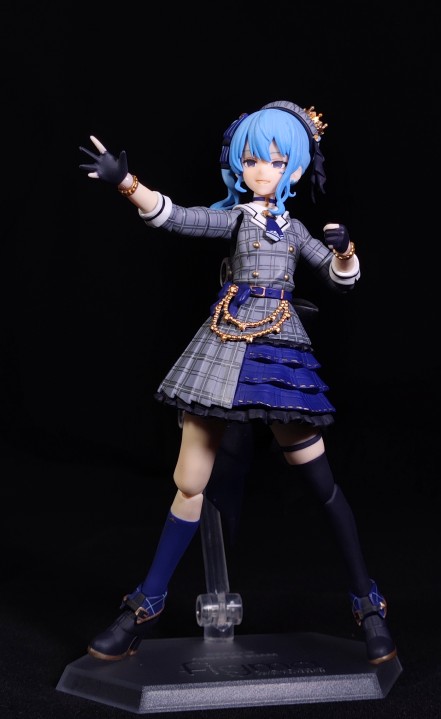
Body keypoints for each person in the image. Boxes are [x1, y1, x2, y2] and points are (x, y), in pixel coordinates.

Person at [78, 100, 397, 665]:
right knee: (189, 481)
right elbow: (180, 217)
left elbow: (340, 277)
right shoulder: (238, 218)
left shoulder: (294, 229)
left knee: (321, 482)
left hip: (279, 355)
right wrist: (127, 184)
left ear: (294, 168)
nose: (261, 170)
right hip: (224, 344)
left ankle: (366, 602)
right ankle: (145, 606)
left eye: (274, 160)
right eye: (251, 160)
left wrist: (346, 250)